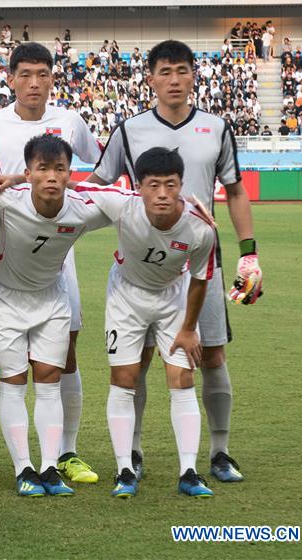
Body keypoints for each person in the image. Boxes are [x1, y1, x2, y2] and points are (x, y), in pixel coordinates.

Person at [88, 39, 262, 483]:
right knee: (140, 360)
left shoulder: (217, 127)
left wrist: (249, 255)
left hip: (200, 260)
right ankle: (134, 451)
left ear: (193, 76)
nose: (174, 80)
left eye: (182, 70)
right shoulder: (128, 130)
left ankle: (219, 453)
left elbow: (236, 190)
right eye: (164, 72)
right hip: (143, 265)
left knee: (212, 355)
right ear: (150, 78)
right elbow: (98, 182)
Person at [0, 42, 102, 486]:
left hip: (58, 253)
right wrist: (0, 190)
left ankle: (67, 451)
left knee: (66, 355)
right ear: (10, 77)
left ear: (52, 78)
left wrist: (42, 186)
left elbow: (100, 170)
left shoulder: (70, 122)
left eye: (42, 73)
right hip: (6, 251)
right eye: (25, 74)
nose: (34, 82)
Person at [79, 148, 218, 498]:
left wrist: (188, 330)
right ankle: (125, 467)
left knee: (182, 378)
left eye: (170, 185)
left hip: (174, 298)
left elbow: (200, 280)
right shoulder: (121, 204)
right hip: (126, 296)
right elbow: (67, 188)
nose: (161, 194)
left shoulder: (201, 229)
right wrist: (18, 179)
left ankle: (189, 471)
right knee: (124, 379)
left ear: (181, 186)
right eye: (153, 185)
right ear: (138, 186)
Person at [0, 135, 113, 497]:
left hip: (52, 299)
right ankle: (24, 469)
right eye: (42, 169)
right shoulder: (5, 201)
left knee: (50, 380)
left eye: (60, 169)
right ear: (28, 172)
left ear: (71, 173)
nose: (52, 176)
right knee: (13, 381)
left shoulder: (82, 208)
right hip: (4, 299)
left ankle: (50, 468)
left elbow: (128, 200)